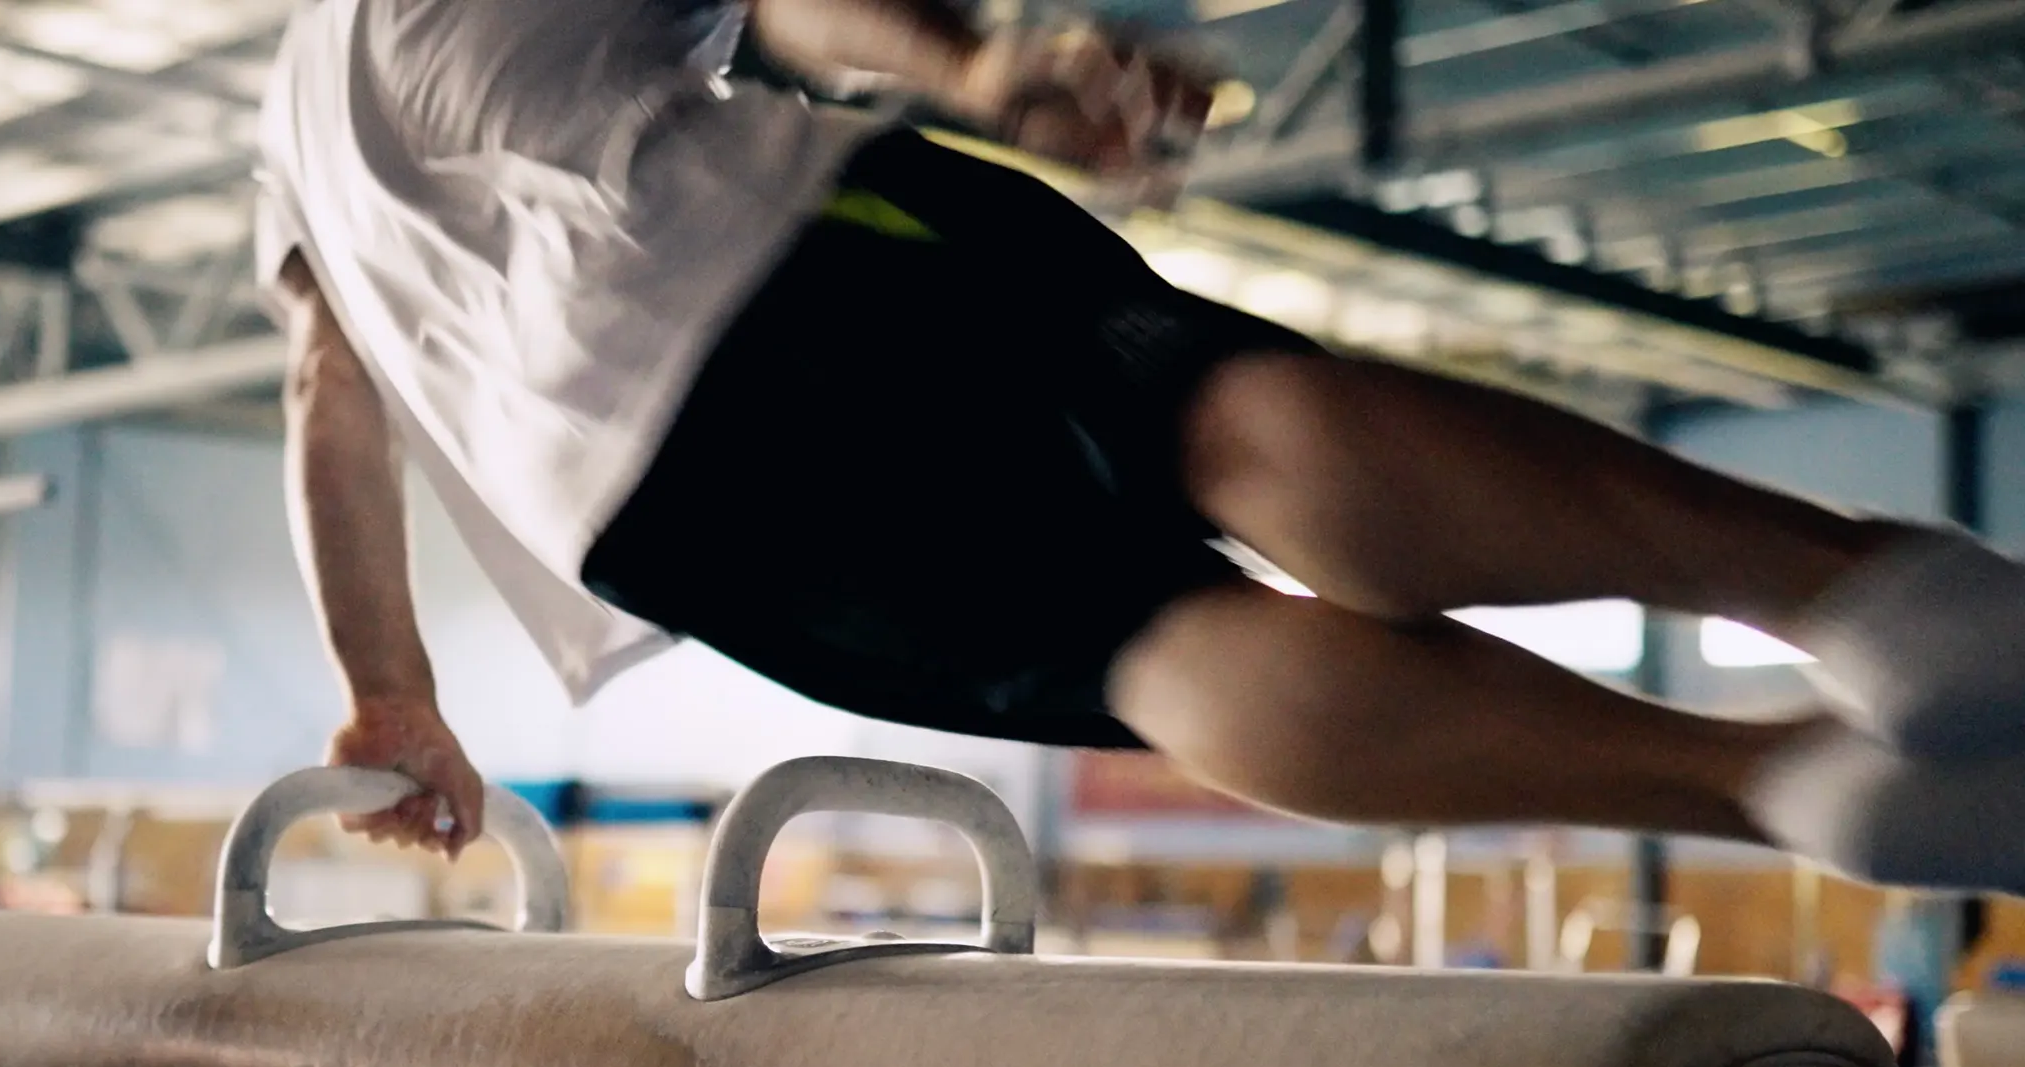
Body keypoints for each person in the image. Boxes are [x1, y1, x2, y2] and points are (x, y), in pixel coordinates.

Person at [252, 0, 2025, 895]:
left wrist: (391, 692)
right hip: (725, 253)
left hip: (645, 526)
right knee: (1207, 419)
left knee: (1146, 646)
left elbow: (332, 403)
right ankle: (1862, 589)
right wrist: (968, 60)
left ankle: (1763, 783)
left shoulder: (293, 125)